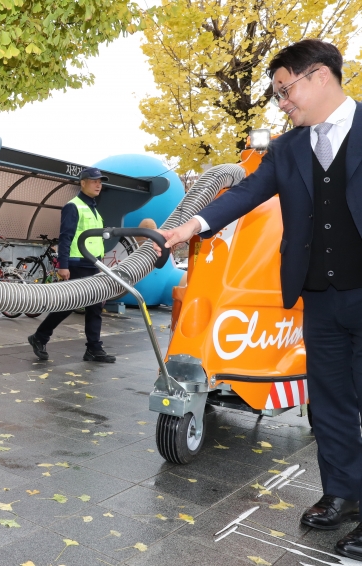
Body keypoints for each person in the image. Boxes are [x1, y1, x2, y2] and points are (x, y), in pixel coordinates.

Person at [156, 39, 362, 560]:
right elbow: (246, 193)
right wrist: (188, 227)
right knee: (331, 406)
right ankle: (343, 493)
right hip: (317, 296)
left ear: (319, 77)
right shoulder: (289, 148)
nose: (282, 102)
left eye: (285, 89)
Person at [28, 167, 116, 363]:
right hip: (77, 264)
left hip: (94, 264)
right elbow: (65, 237)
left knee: (94, 307)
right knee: (68, 305)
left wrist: (101, 263)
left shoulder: (93, 208)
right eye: (94, 181)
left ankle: (94, 348)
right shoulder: (73, 206)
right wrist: (63, 265)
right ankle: (39, 337)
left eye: (100, 181)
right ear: (82, 182)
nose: (99, 184)